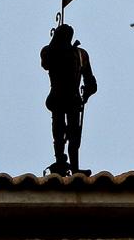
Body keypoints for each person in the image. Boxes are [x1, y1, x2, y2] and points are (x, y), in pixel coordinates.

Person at [41, 24, 97, 175]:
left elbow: (91, 81)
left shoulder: (80, 54)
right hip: (59, 99)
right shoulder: (50, 51)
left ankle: (73, 166)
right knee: (60, 133)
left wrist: (87, 93)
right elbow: (45, 64)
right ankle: (61, 162)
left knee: (73, 135)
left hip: (72, 100)